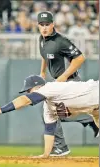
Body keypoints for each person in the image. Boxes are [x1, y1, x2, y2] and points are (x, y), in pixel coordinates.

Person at [0, 75, 99, 158]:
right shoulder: (48, 108)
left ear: (38, 86)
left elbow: (26, 100)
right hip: (95, 109)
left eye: (29, 89)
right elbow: (49, 130)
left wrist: (0, 110)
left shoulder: (50, 87)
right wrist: (45, 154)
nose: (28, 92)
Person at [37, 11, 99, 156]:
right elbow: (44, 55)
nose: (44, 27)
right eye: (42, 24)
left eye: (47, 24)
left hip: (70, 82)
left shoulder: (61, 41)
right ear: (38, 25)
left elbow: (80, 58)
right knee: (55, 112)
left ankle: (61, 147)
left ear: (53, 24)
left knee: (51, 111)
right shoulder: (41, 39)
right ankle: (90, 119)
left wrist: (64, 76)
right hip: (58, 83)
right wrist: (42, 72)